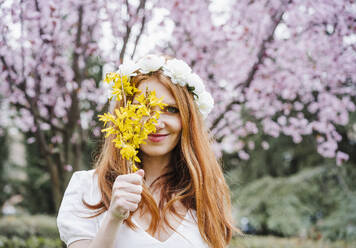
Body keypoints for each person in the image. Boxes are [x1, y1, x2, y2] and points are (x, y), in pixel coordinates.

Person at [56, 55, 240, 248]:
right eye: (143, 109)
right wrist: (113, 217)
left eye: (171, 109)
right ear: (124, 115)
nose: (156, 123)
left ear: (188, 118)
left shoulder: (205, 191)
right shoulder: (88, 188)